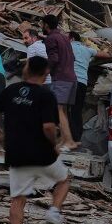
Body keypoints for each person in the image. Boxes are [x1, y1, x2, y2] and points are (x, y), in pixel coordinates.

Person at [0, 56, 73, 224]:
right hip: (42, 153)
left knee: (18, 200)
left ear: (26, 70)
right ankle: (53, 213)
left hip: (17, 154)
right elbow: (49, 127)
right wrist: (54, 143)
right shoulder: (46, 95)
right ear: (46, 74)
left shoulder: (11, 90)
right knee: (63, 181)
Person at [42, 14, 78, 150]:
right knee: (63, 111)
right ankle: (64, 141)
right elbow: (73, 58)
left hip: (61, 78)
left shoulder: (51, 38)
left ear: (46, 25)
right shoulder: (65, 38)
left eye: (42, 24)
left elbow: (54, 59)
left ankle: (69, 141)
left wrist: (45, 72)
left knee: (58, 110)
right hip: (72, 78)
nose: (42, 27)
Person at [69, 32, 111, 146]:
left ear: (71, 38)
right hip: (82, 82)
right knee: (76, 111)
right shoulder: (87, 49)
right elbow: (106, 55)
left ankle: (67, 138)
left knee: (65, 110)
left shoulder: (68, 46)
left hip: (70, 81)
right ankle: (77, 138)